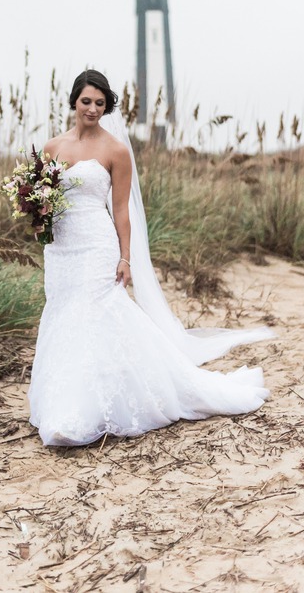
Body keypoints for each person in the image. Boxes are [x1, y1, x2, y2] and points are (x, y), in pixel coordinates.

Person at [27, 69, 274, 447]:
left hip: (96, 243)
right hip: (60, 248)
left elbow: (121, 210)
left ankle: (81, 413)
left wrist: (126, 257)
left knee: (96, 315)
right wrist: (36, 213)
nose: (92, 109)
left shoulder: (115, 150)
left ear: (107, 106)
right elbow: (39, 199)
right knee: (63, 314)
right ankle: (60, 402)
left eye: (100, 103)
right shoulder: (50, 148)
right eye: (86, 101)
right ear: (73, 102)